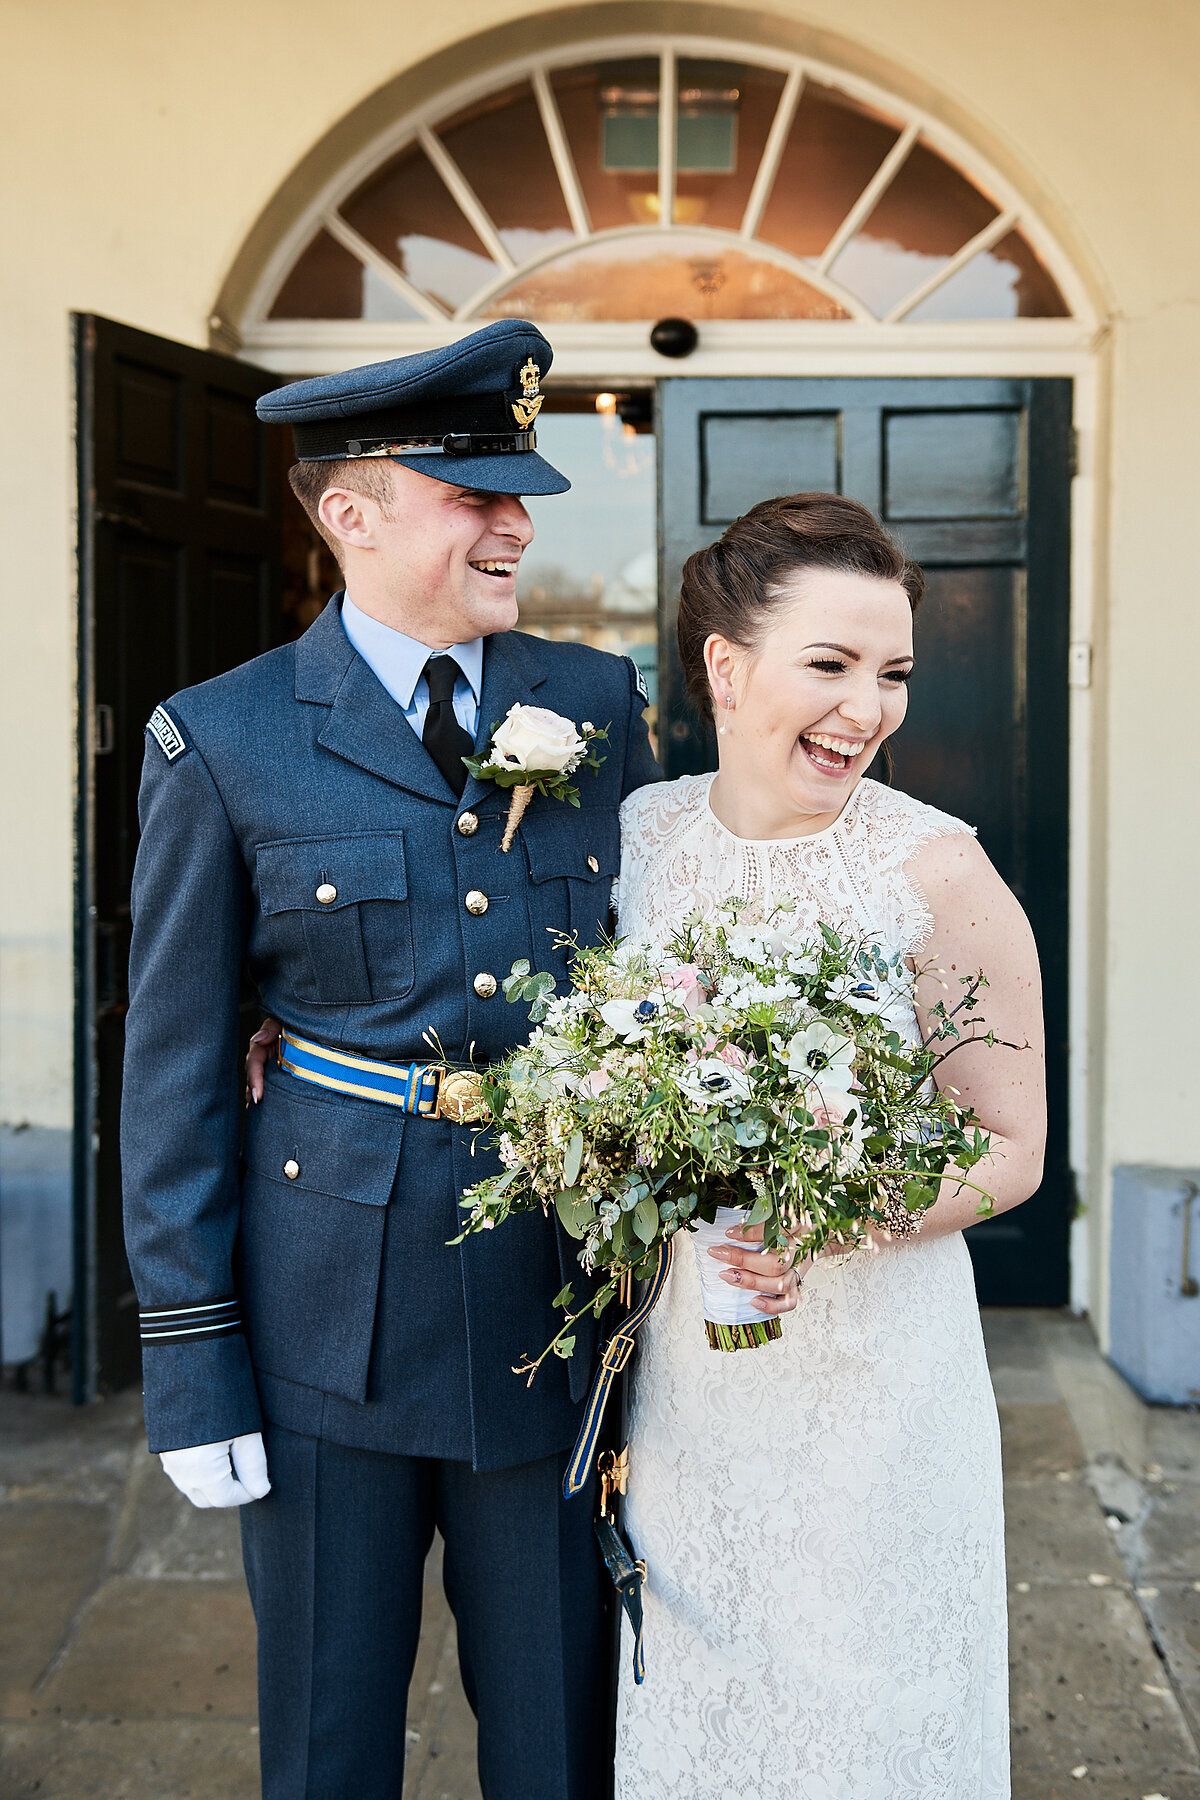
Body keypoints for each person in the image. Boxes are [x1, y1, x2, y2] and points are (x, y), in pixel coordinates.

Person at [121, 318, 799, 1800]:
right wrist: (191, 1367)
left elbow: (671, 964)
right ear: (349, 513)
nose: (515, 520)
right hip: (324, 1330)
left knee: (563, 1745)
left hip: (545, 1314)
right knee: (326, 1744)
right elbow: (170, 1073)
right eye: (473, 493)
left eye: (520, 491)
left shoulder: (600, 704)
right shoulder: (222, 740)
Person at [609, 493, 1046, 1799]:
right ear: (726, 669)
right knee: (703, 1702)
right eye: (834, 664)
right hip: (694, 1378)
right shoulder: (636, 841)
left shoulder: (936, 872)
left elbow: (1012, 1147)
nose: (870, 708)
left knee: (866, 1716)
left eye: (894, 671)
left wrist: (836, 1218)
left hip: (874, 1387)